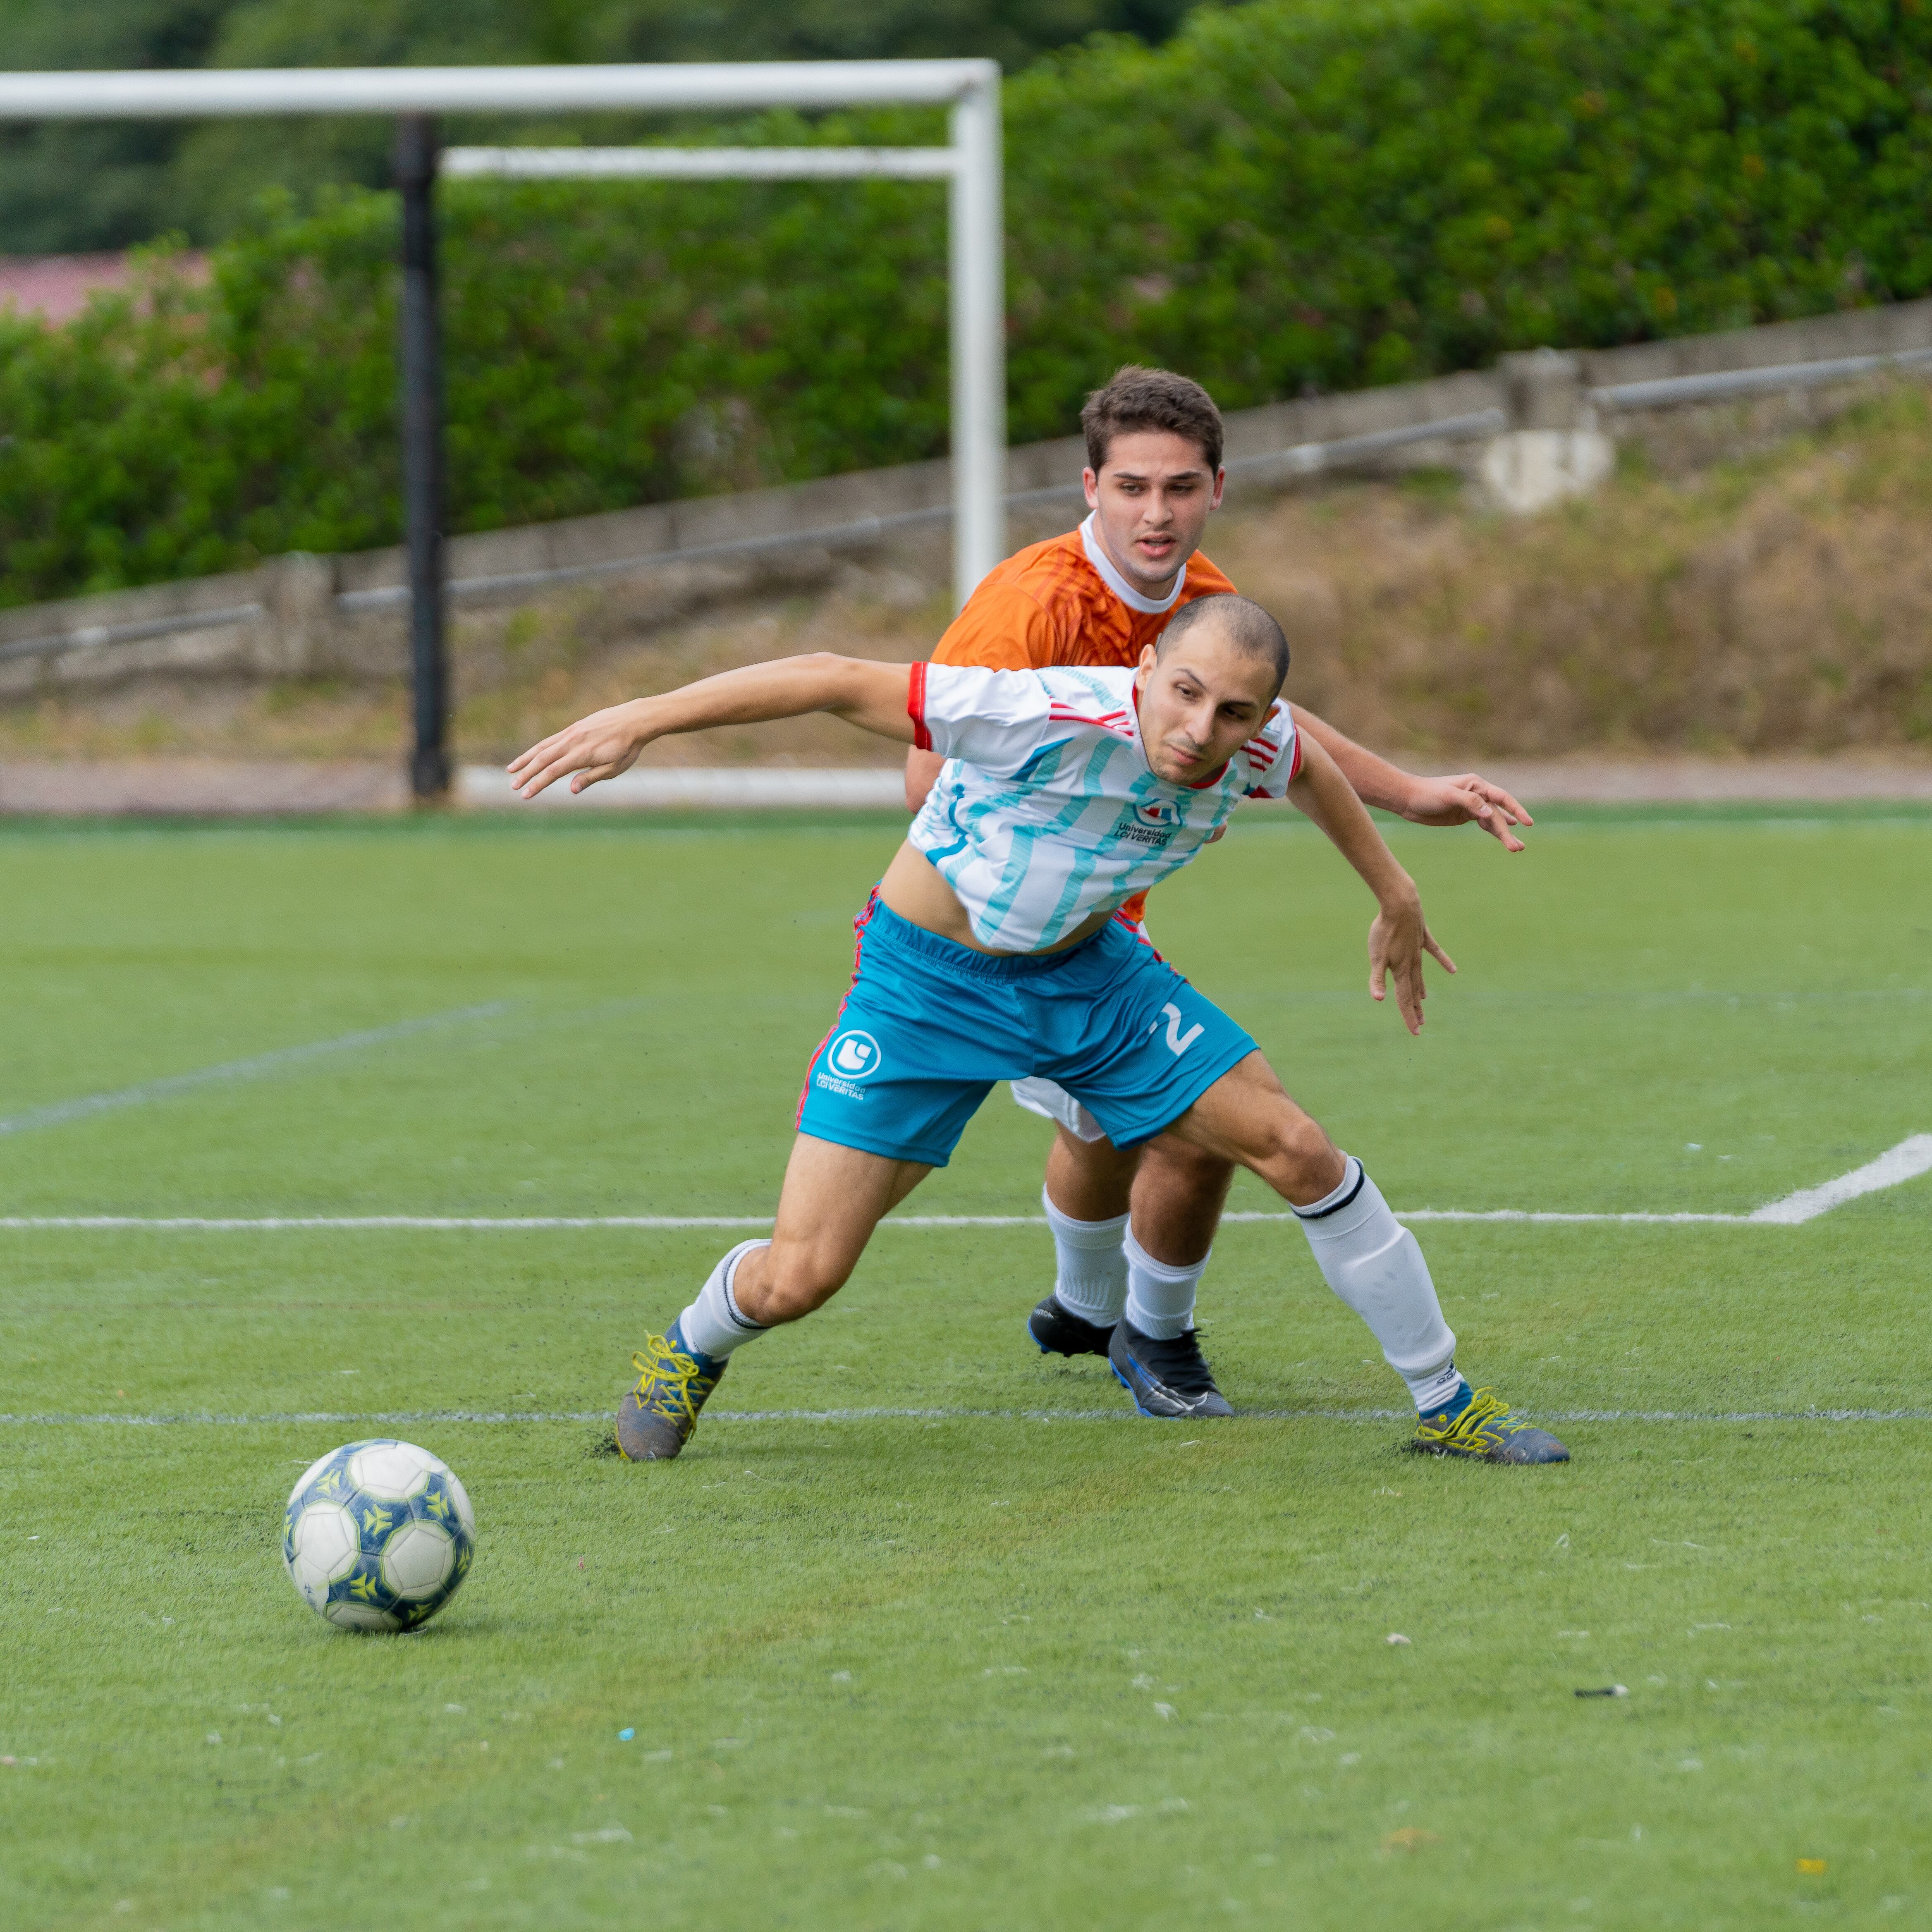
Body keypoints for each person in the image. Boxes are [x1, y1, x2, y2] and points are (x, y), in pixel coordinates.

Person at [507, 593, 1569, 1468]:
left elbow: (1314, 773)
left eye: (1234, 712)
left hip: (1087, 978)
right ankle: (689, 1349)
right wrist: (645, 715)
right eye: (1185, 692)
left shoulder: (1259, 745)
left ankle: (1447, 1402)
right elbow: (833, 674)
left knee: (1296, 1146)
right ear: (1145, 669)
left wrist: (1395, 890)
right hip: (923, 988)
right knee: (802, 1274)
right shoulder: (1039, 711)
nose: (1198, 729)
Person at [906, 366, 1536, 1419]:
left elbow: (1280, 729)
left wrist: (1409, 795)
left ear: (1216, 488)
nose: (1157, 513)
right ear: (1089, 486)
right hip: (1003, 937)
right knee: (1183, 1130)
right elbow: (928, 775)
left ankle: (1081, 1305)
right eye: (1133, 488)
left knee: (1105, 1126)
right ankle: (1154, 1338)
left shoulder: (1202, 598)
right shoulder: (1031, 607)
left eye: (1180, 488)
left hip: (1105, 917)